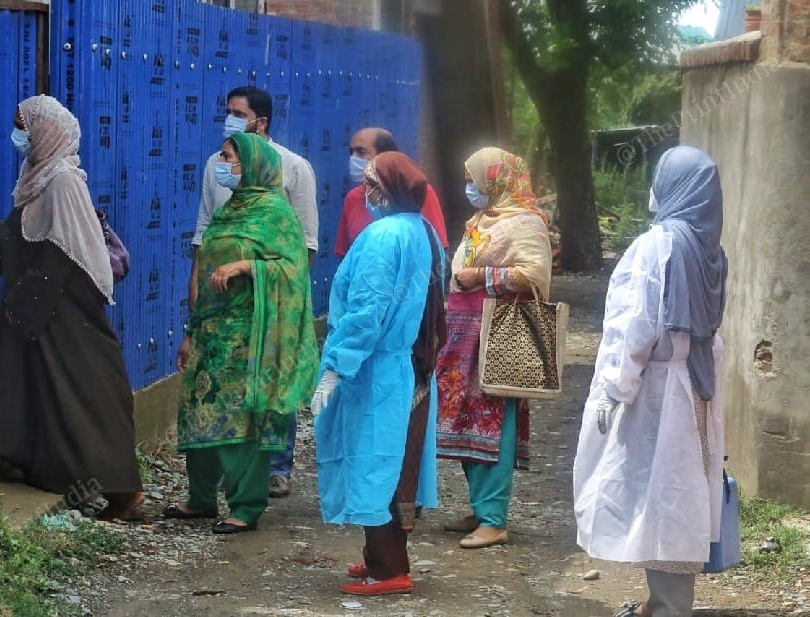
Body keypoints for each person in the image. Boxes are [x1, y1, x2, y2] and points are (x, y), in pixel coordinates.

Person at [573, 146, 728, 617]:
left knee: (658, 495)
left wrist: (613, 390)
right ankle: (662, 602)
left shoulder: (654, 246)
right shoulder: (710, 251)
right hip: (697, 388)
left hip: (657, 389)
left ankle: (667, 607)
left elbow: (631, 328)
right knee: (680, 493)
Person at [0, 94, 144, 522]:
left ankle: (125, 494)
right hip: (48, 314)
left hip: (67, 314)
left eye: (23, 125)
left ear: (46, 131)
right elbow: (25, 234)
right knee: (58, 397)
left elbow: (67, 251)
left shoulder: (61, 181)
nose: (18, 136)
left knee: (88, 395)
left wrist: (26, 308)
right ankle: (71, 480)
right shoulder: (37, 177)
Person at [167, 132, 318, 534]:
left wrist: (248, 267)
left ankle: (245, 506)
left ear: (252, 164)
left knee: (241, 423)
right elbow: (203, 266)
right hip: (212, 336)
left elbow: (293, 271)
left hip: (251, 338)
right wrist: (191, 331)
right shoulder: (229, 210)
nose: (222, 162)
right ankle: (200, 498)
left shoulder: (277, 215)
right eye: (222, 154)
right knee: (199, 415)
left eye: (229, 156)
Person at [312, 152, 445, 596]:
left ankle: (389, 571)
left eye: (371, 183)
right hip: (410, 364)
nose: (364, 192)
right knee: (396, 460)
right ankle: (377, 557)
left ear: (387, 189)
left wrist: (335, 367)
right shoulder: (423, 229)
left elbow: (366, 312)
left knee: (375, 463)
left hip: (376, 368)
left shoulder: (381, 235)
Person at [435, 147, 552, 549]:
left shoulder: (525, 222)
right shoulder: (483, 218)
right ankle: (480, 506)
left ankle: (494, 518)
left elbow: (534, 275)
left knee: (493, 422)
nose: (470, 186)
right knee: (466, 419)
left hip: (499, 334)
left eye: (475, 178)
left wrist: (481, 276)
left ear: (497, 179)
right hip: (463, 335)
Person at [334, 127, 448, 257]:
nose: (353, 159)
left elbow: (438, 251)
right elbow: (344, 254)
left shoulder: (418, 192)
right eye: (351, 152)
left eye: (361, 152)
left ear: (384, 155)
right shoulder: (353, 198)